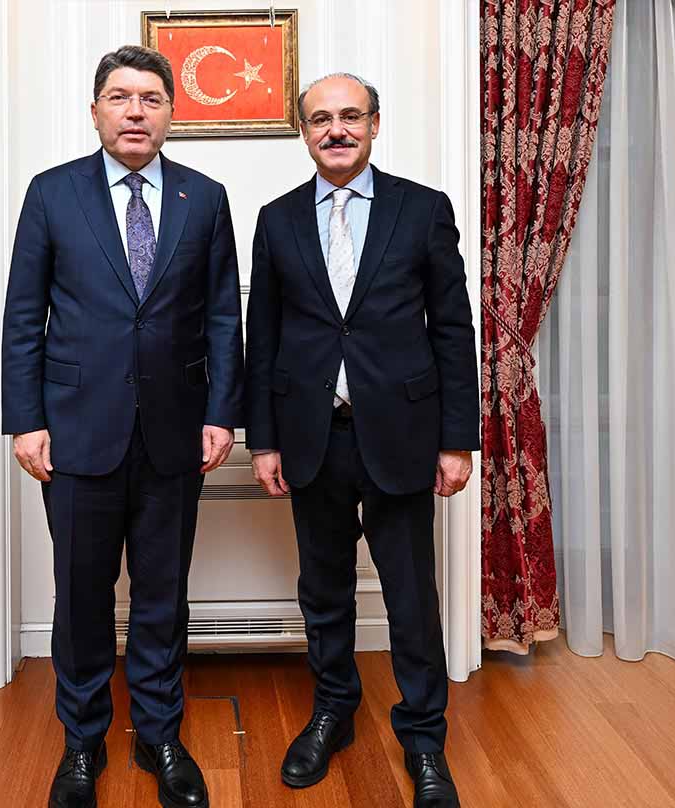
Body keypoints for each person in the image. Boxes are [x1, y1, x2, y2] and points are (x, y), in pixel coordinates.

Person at [1, 44, 244, 808]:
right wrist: (26, 420)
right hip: (76, 432)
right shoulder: (52, 193)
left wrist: (222, 413)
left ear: (172, 112)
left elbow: (222, 316)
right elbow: (23, 317)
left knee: (163, 596)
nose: (135, 111)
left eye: (150, 98)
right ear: (95, 110)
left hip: (177, 432)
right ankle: (82, 744)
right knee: (81, 598)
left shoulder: (205, 199)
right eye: (120, 97)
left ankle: (160, 735)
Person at [245, 72, 479, 808]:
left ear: (376, 124)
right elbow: (263, 337)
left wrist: (457, 439)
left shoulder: (423, 210)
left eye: (351, 116)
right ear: (303, 132)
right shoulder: (277, 219)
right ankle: (333, 712)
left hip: (403, 435)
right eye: (320, 119)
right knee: (323, 591)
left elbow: (452, 329)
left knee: (410, 597)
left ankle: (424, 739)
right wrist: (263, 441)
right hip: (311, 438)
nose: (336, 130)